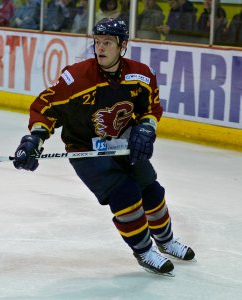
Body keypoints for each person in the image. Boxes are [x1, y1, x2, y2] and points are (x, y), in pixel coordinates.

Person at [13, 18, 195, 275]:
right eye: (97, 42)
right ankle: (144, 251)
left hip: (124, 143)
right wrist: (34, 140)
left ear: (122, 45)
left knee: (152, 191)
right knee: (126, 194)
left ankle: (166, 242)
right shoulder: (75, 78)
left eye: (107, 42)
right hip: (86, 149)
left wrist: (145, 128)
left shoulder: (141, 75)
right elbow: (45, 108)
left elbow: (151, 107)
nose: (100, 48)